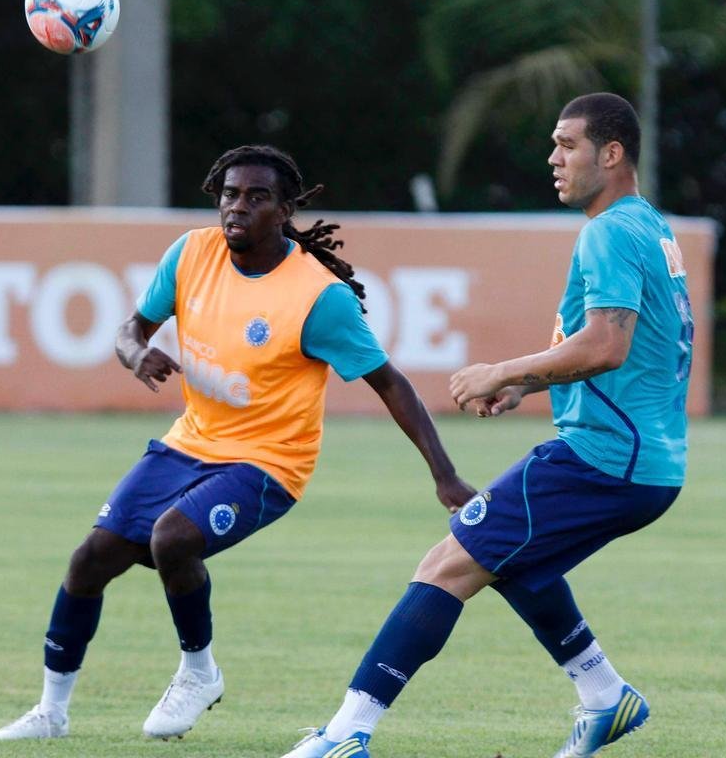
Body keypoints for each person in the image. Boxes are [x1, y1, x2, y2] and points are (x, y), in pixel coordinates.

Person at [0, 145, 476, 742]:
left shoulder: (319, 297)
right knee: (91, 559)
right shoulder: (191, 253)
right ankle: (51, 712)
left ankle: (199, 674)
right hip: (189, 443)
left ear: (285, 210)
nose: (237, 207)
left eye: (256, 197)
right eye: (229, 194)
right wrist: (137, 353)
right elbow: (131, 328)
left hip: (269, 463)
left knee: (172, 539)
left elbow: (391, 383)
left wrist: (443, 474)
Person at [281, 92, 692, 758]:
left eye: (567, 144)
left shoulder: (609, 231)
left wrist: (502, 369)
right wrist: (528, 384)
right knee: (514, 562)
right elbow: (633, 351)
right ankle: (603, 694)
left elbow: (606, 345)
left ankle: (345, 734)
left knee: (445, 565)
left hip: (604, 457)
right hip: (646, 462)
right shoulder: (650, 226)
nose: (553, 158)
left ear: (611, 153)